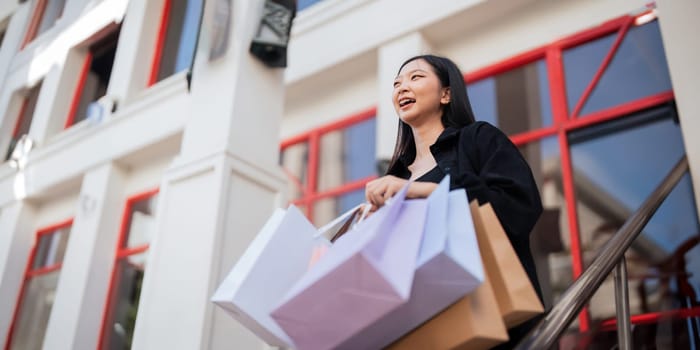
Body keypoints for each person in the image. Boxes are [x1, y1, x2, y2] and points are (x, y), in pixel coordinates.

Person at [364, 54, 544, 348]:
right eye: (397, 83)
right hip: (422, 325)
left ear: (446, 94)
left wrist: (423, 191)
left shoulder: (477, 139)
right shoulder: (395, 177)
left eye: (415, 77)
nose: (402, 88)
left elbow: (518, 206)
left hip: (488, 317)